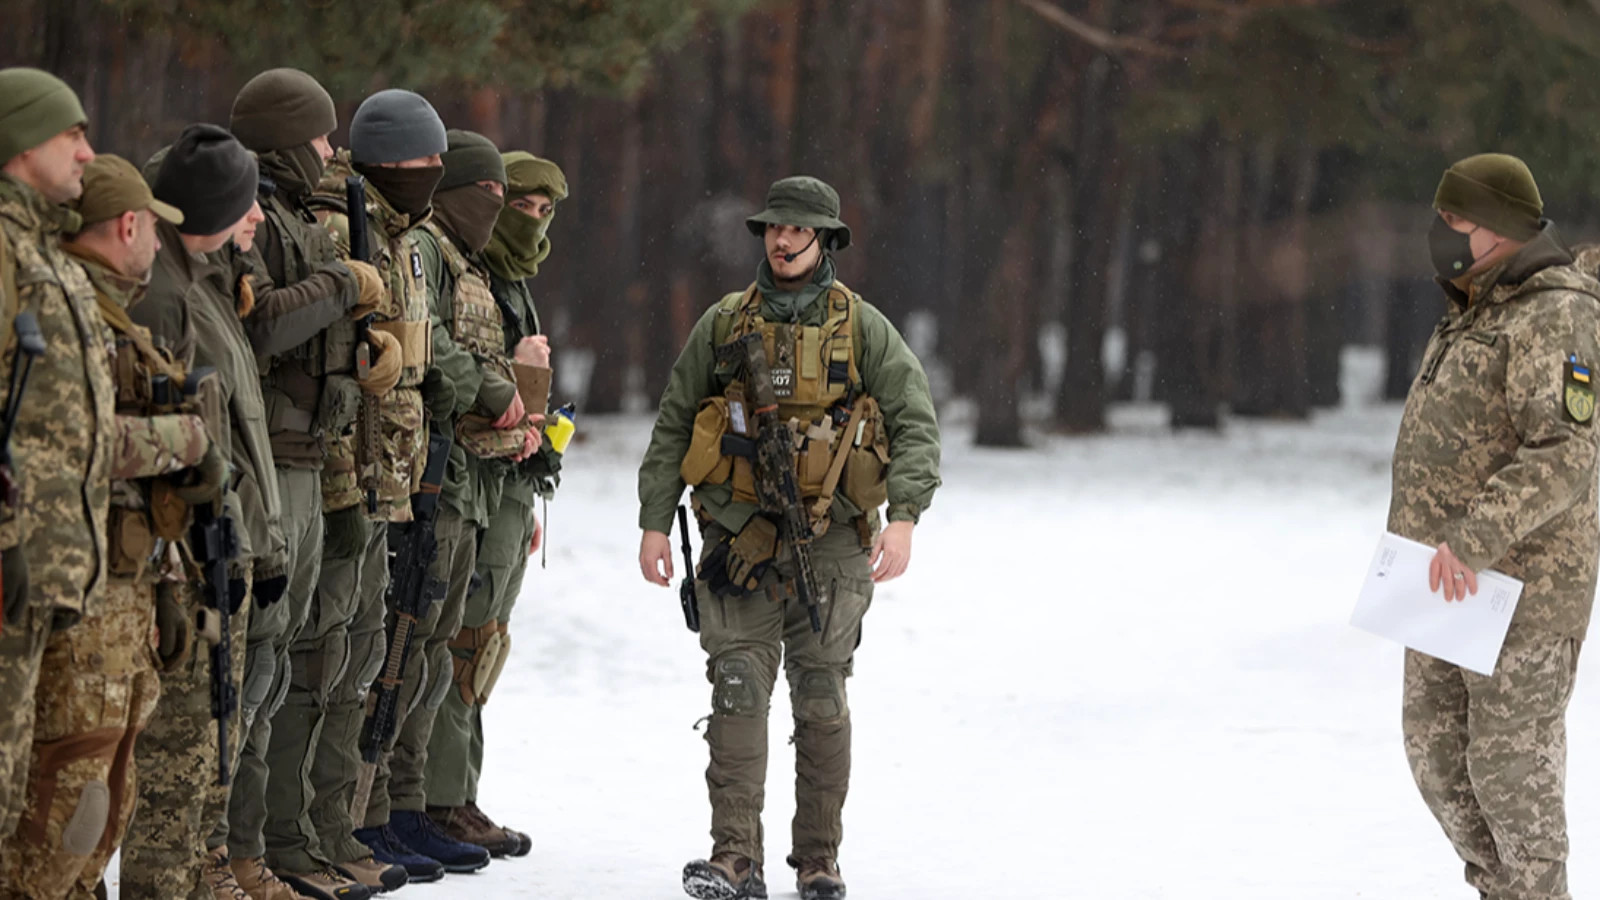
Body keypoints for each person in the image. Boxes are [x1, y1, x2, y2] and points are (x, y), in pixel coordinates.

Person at [635, 176, 941, 900]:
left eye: (798, 231)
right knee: (738, 689)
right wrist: (655, 518)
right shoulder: (723, 323)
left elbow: (914, 421)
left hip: (832, 544)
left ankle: (818, 860)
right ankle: (735, 856)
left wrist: (904, 517)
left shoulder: (863, 328)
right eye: (773, 229)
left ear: (826, 240)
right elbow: (676, 421)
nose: (781, 240)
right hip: (737, 539)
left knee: (823, 699)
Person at [1, 154, 220, 900]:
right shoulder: (73, 313)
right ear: (129, 224)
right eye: (152, 230)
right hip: (81, 589)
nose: (158, 247)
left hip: (122, 580)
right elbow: (79, 446)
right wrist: (185, 441)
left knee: (106, 790)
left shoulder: (110, 313)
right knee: (70, 790)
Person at [1393, 153, 1600, 900]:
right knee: (1441, 759)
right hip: (1447, 585)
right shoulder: (1479, 307)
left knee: (1511, 775)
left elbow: (1565, 449)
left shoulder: (1556, 313)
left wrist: (1475, 539)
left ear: (1502, 229)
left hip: (1525, 587)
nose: (1440, 232)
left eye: (1456, 220)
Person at [227, 67, 405, 900]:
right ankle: (246, 850)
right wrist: (343, 286)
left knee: (292, 664)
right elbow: (262, 326)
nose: (332, 152)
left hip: (308, 457)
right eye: (322, 137)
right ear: (291, 139)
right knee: (265, 669)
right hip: (271, 465)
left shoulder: (295, 218)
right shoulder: (256, 220)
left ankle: (273, 847)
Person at [116, 123, 296, 900]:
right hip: (180, 557)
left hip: (218, 546)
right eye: (247, 204)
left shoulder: (198, 281)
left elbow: (231, 428)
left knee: (207, 752)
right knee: (175, 767)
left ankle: (197, 880)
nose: (258, 218)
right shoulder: (161, 292)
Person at [354, 128, 533, 876]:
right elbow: (426, 350)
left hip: (462, 477)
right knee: (398, 648)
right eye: (484, 190)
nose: (495, 205)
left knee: (433, 652)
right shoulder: (424, 252)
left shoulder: (470, 265)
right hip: (422, 473)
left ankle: (407, 804)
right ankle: (372, 812)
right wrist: (497, 390)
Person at [302, 88, 449, 888]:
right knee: (324, 663)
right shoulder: (338, 229)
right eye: (425, 161)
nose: (434, 174)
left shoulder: (403, 238)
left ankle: (337, 830)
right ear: (391, 161)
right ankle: (307, 835)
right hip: (341, 480)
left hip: (388, 478)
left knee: (361, 660)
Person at [423, 150, 566, 857]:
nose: (533, 224)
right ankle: (440, 798)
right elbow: (478, 381)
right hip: (468, 480)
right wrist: (525, 377)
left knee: (484, 644)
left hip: (508, 483)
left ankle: (460, 793)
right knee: (462, 639)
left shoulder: (510, 281)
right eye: (521, 207)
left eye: (545, 213)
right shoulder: (471, 272)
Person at [0, 64, 113, 888]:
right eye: (71, 132)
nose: (87, 150)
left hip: (43, 571)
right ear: (21, 139)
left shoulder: (42, 247)